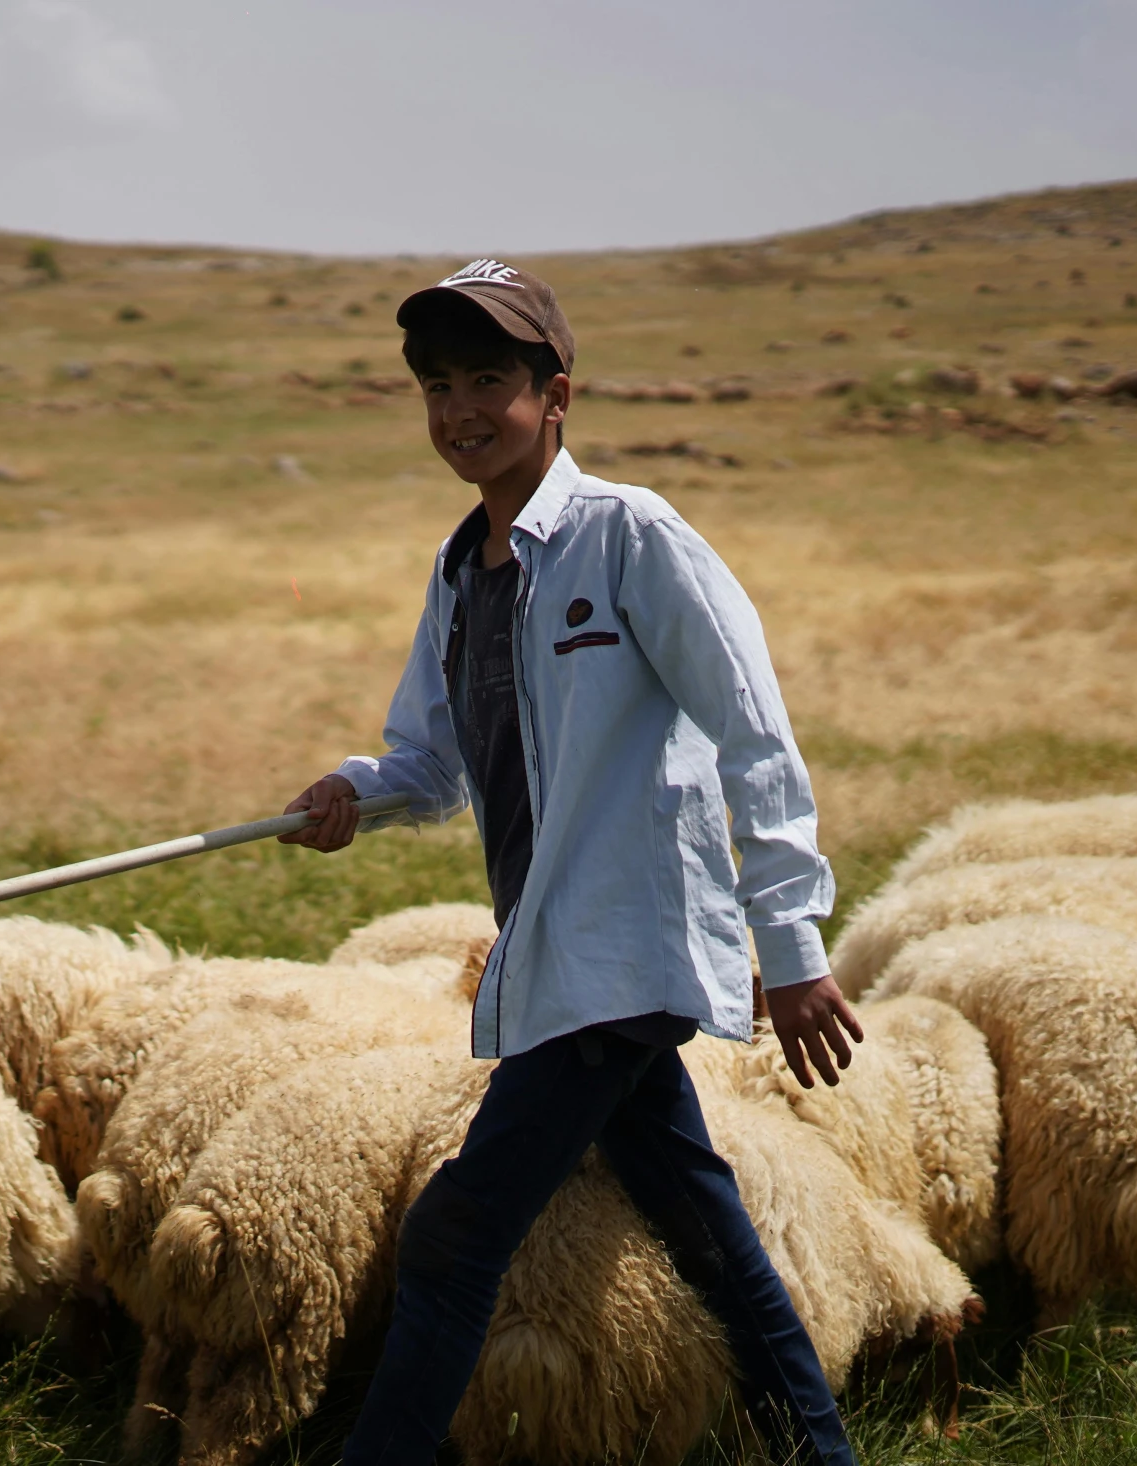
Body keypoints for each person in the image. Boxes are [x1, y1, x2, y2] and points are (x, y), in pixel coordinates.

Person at [279, 258, 864, 1465]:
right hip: (553, 951)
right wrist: (351, 792)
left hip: (626, 949)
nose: (458, 410)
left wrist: (791, 946)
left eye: (487, 378)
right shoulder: (458, 573)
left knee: (453, 1233)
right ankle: (817, 1449)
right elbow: (428, 762)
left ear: (555, 394)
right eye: (436, 386)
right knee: (703, 1225)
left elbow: (754, 731)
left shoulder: (629, 538)